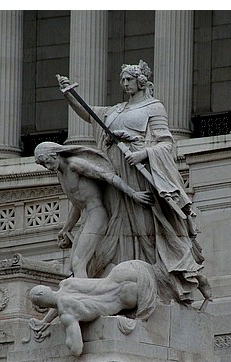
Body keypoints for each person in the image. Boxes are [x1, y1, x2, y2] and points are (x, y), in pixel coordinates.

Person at [57, 61, 212, 306]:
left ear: (140, 81)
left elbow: (165, 143)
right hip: (117, 179)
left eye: (129, 79)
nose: (125, 84)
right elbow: (89, 113)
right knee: (118, 228)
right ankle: (122, 281)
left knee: (146, 227)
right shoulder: (115, 110)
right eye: (123, 80)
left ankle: (156, 280)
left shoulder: (154, 107)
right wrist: (69, 95)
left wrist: (144, 154)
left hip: (141, 175)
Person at [34, 141, 153, 279]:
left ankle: (81, 296)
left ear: (55, 154)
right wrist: (66, 228)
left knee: (79, 263)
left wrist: (133, 194)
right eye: (43, 164)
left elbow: (107, 176)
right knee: (76, 264)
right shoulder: (61, 174)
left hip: (97, 215)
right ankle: (103, 281)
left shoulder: (74, 165)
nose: (46, 167)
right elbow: (78, 203)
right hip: (87, 216)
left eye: (46, 161)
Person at [28, 259, 158, 357]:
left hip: (128, 298)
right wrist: (45, 321)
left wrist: (68, 339)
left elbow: (77, 349)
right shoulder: (67, 283)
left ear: (41, 306)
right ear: (49, 288)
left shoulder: (67, 312)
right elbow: (60, 300)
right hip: (130, 269)